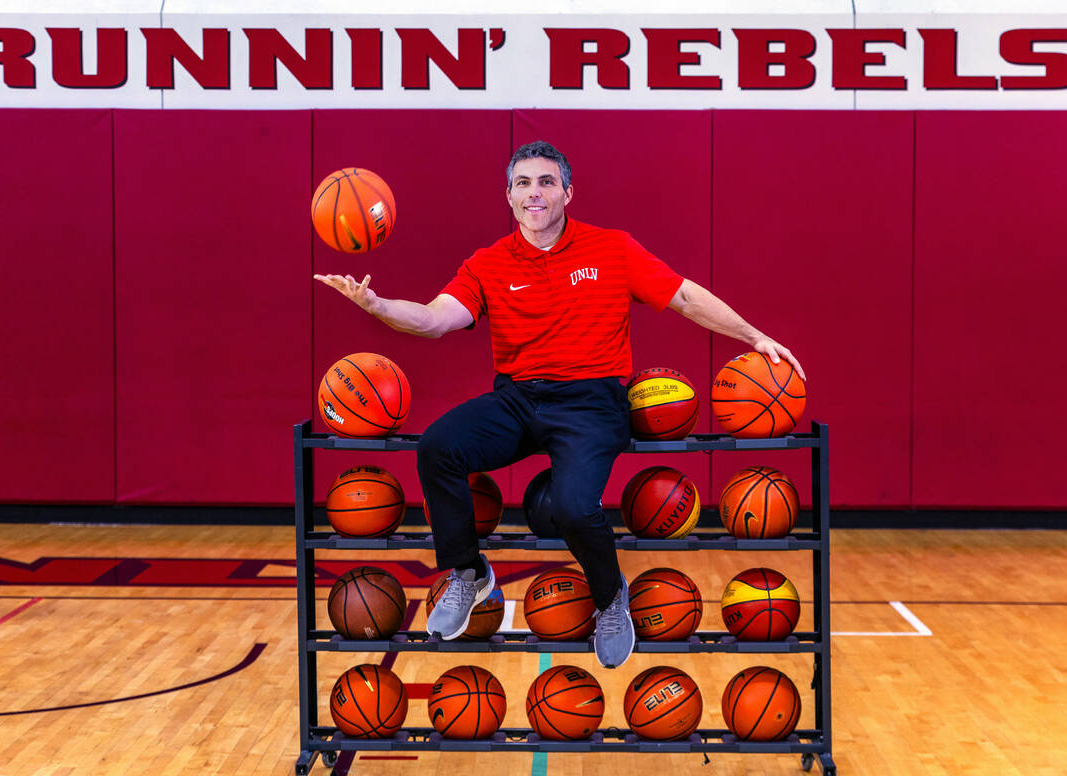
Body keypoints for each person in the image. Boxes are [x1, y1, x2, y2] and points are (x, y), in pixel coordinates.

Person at [315, 141, 804, 669]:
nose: (534, 193)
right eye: (523, 183)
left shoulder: (612, 249)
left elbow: (683, 296)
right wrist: (376, 304)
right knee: (438, 446)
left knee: (574, 507)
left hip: (592, 402)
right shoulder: (488, 263)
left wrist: (753, 336)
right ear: (508, 195)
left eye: (546, 182)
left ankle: (610, 598)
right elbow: (435, 319)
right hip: (520, 397)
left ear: (568, 192)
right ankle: (469, 573)